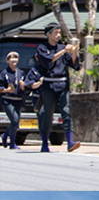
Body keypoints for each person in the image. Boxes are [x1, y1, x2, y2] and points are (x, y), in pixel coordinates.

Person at [33, 23, 82, 153]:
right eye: (56, 33)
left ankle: (70, 142)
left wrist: (74, 52)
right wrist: (64, 50)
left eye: (59, 32)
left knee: (66, 111)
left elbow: (74, 64)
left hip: (63, 84)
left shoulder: (62, 47)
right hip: (48, 85)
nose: (58, 35)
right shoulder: (42, 48)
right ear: (48, 34)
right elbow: (49, 61)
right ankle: (44, 142)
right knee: (47, 114)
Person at [1, 51, 28, 149]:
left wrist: (23, 86)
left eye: (15, 58)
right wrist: (5, 90)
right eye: (11, 58)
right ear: (7, 60)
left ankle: (5, 136)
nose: (14, 60)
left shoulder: (21, 73)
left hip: (18, 99)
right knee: (14, 119)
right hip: (7, 100)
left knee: (16, 122)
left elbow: (25, 87)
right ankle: (12, 143)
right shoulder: (4, 73)